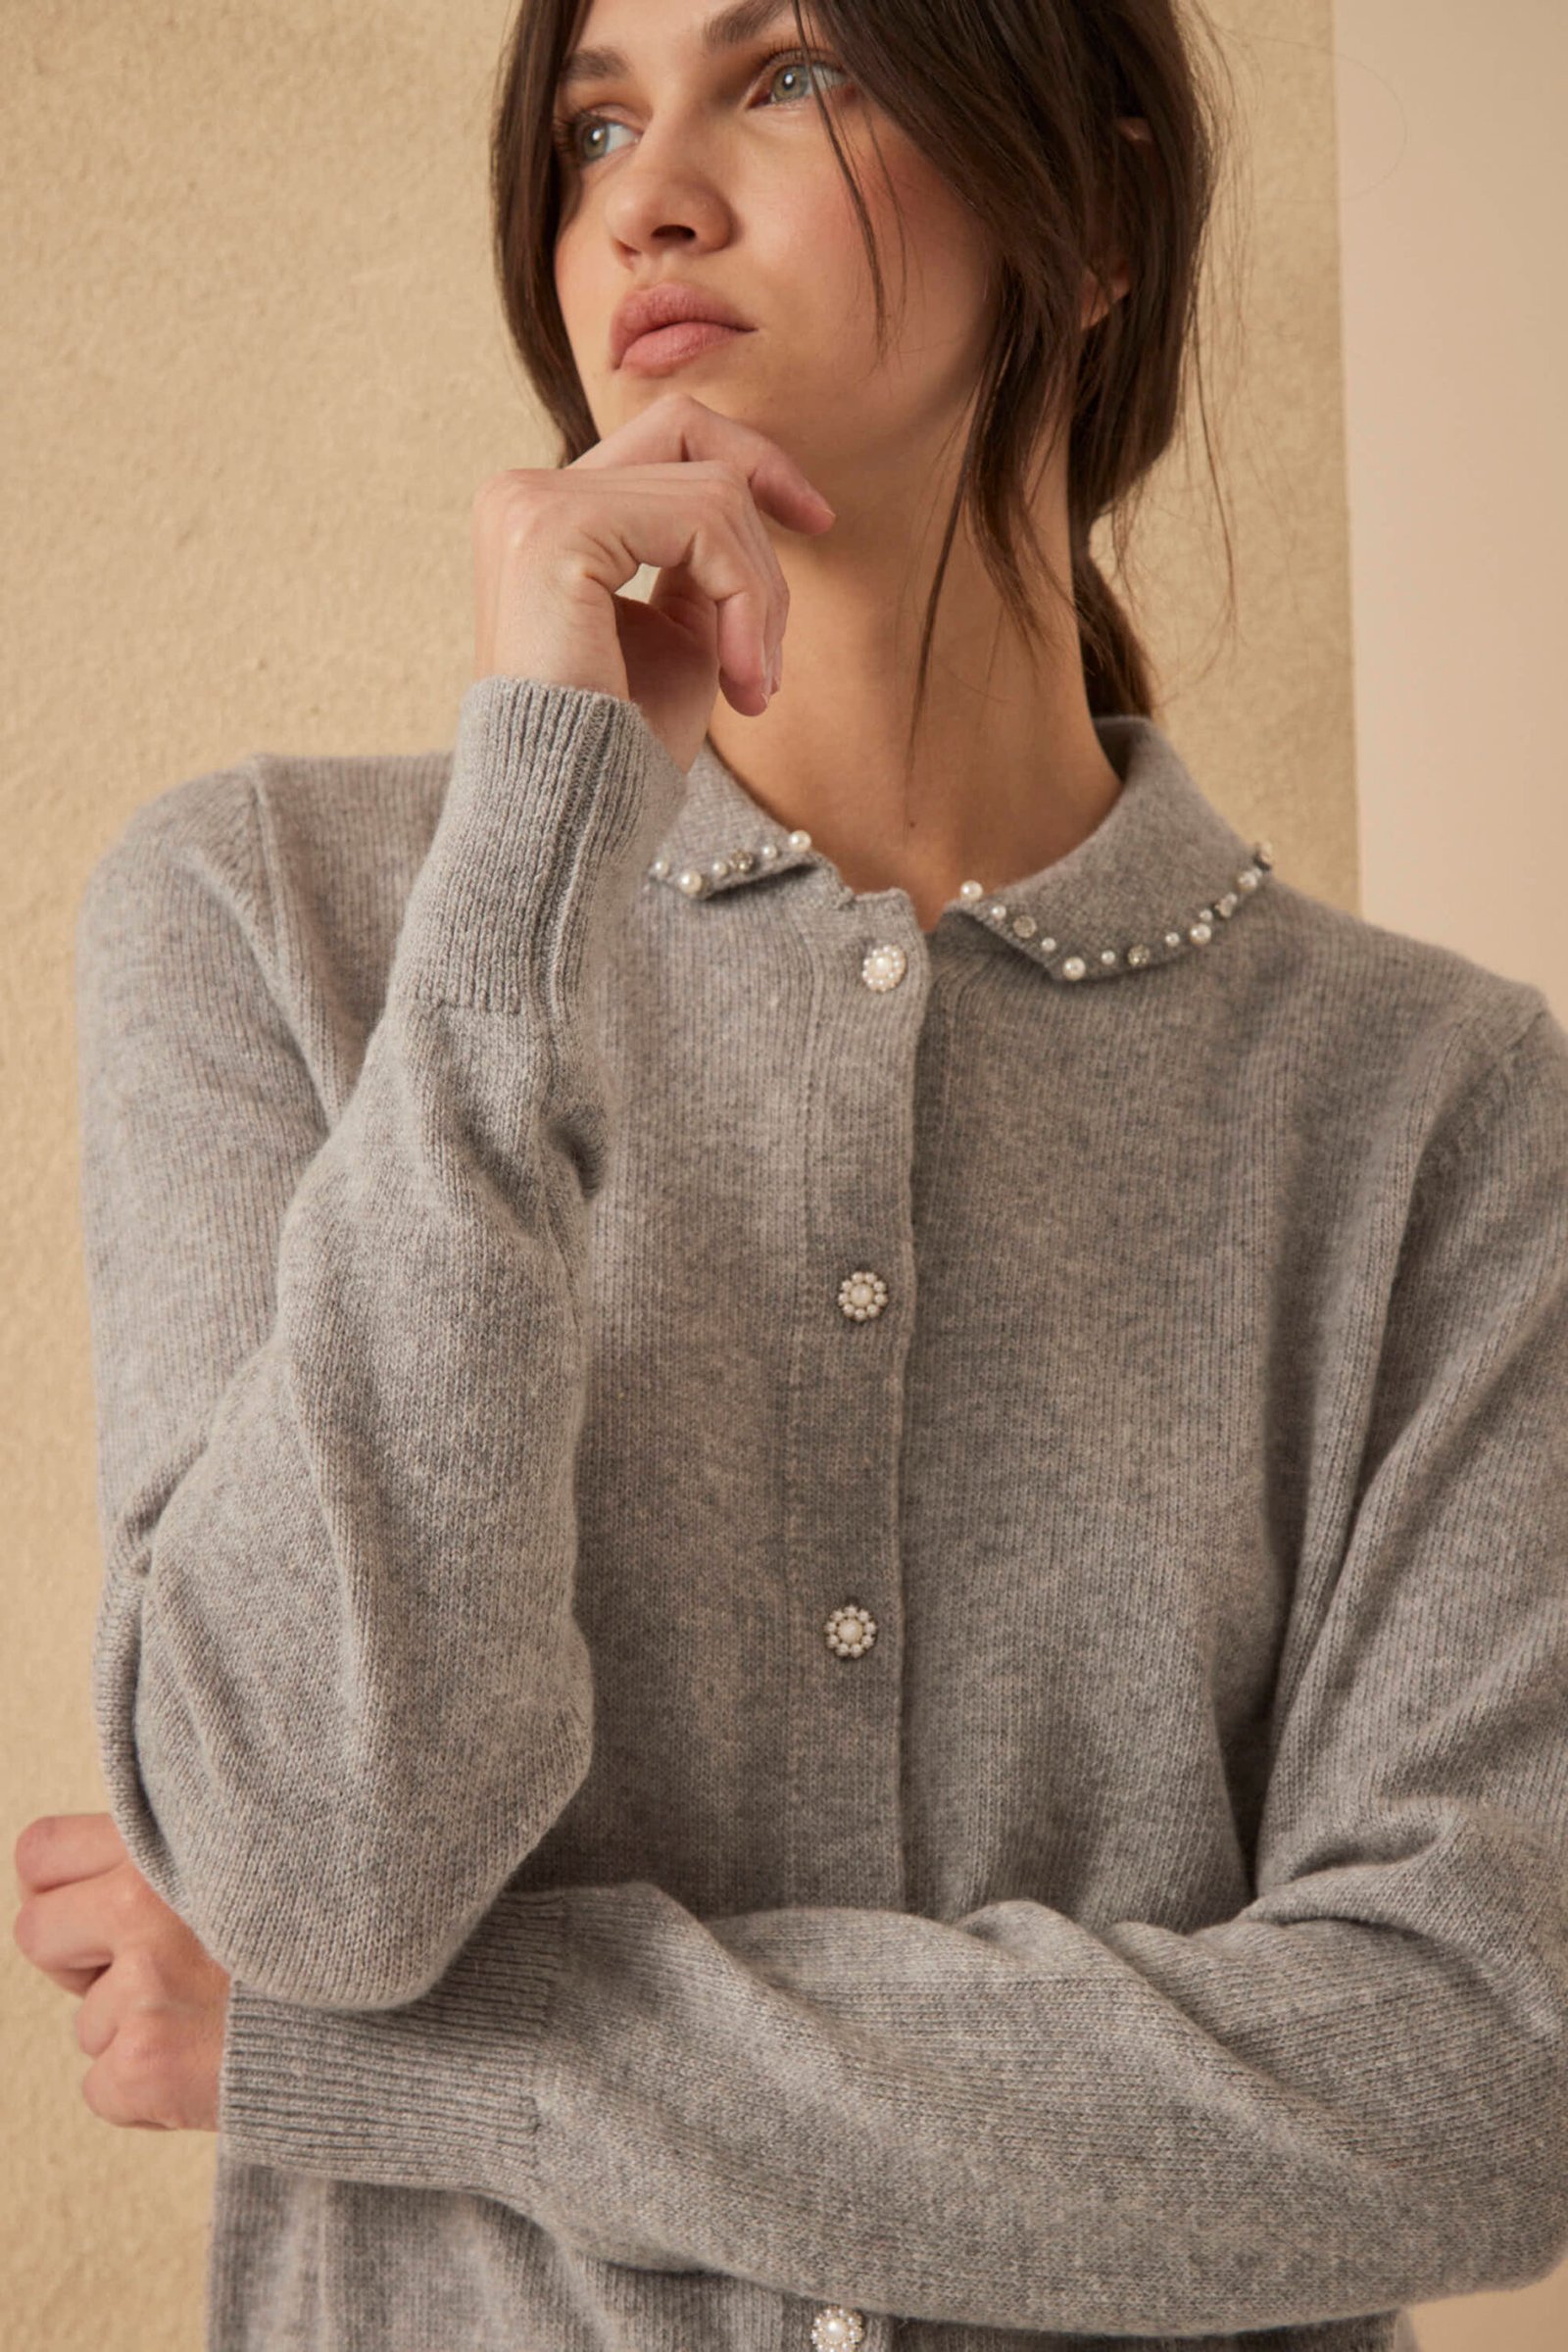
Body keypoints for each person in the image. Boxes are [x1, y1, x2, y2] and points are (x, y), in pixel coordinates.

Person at [14, 2, 1568, 2348]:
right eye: (592, 123)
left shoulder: (1430, 1109)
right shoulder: (267, 921)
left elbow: (1470, 2079)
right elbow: (321, 1868)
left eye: (792, 73)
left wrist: (401, 2063)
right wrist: (526, 861)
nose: (644, 197)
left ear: (1094, 212)